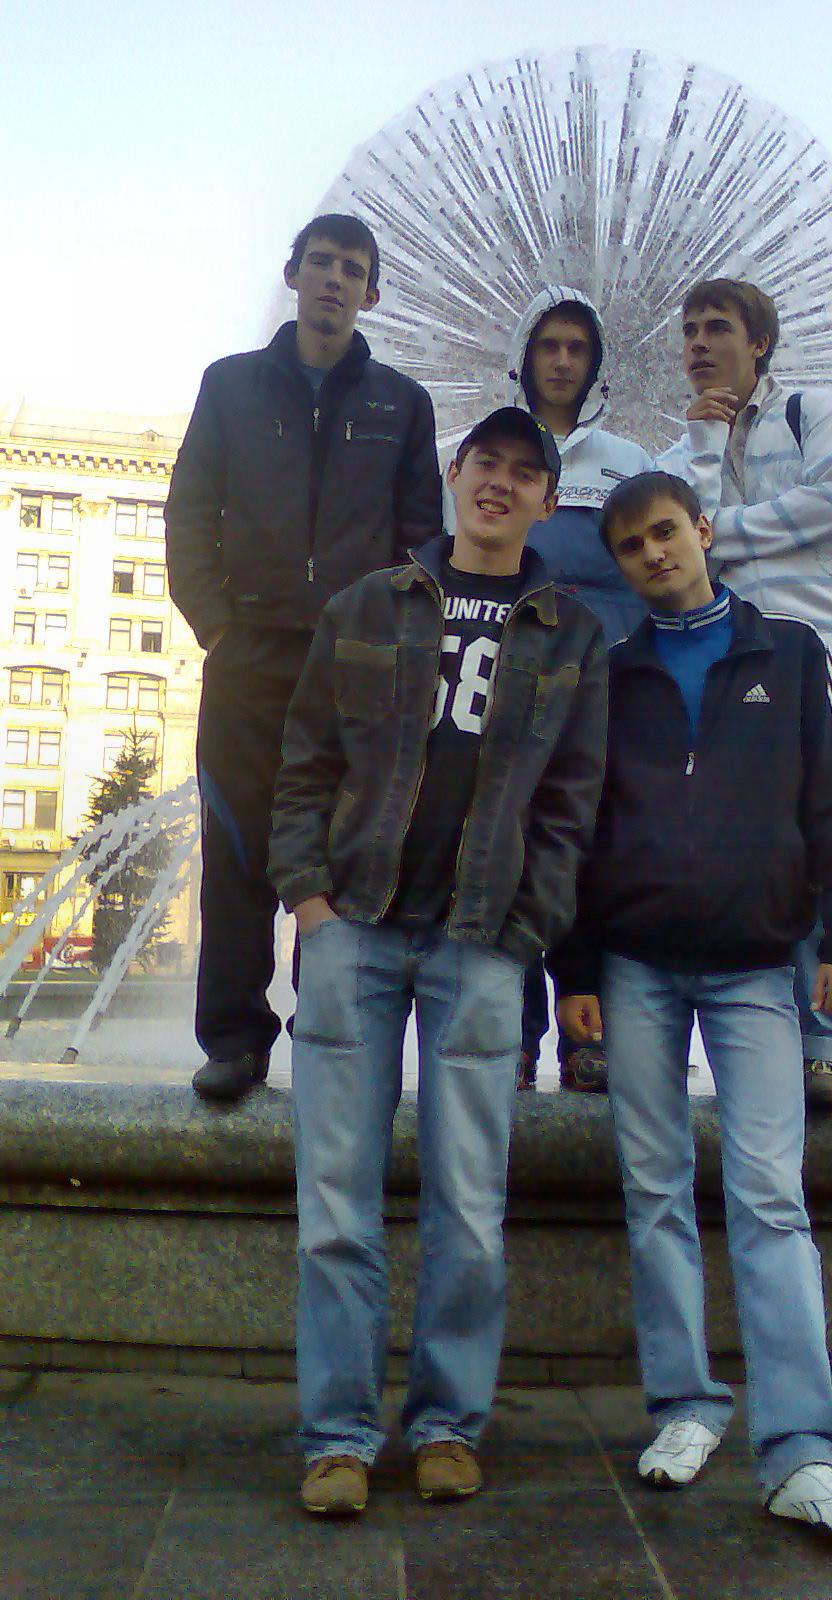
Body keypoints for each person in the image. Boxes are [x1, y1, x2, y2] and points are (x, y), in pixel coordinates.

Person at [268, 407, 607, 1517]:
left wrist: (525, 930)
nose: (499, 483)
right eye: (484, 463)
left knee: (469, 1204)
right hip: (355, 929)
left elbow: (572, 806)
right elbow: (305, 762)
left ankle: (449, 1424)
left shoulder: (572, 634)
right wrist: (311, 903)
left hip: (480, 943)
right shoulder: (368, 604)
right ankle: (338, 1437)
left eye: (524, 472)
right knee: (336, 1202)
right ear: (456, 476)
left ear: (548, 500)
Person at [552, 470, 832, 1539]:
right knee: (653, 1192)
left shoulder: (790, 654)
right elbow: (575, 824)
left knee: (770, 1198)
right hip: (637, 967)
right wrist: (574, 970)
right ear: (619, 563)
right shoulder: (613, 674)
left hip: (754, 968)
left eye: (666, 532)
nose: (654, 554)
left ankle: (802, 1452)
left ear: (703, 530)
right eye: (632, 546)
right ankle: (686, 1406)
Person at [166, 214, 442, 1104]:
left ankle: (328, 1033)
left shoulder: (402, 404)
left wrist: (389, 646)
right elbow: (189, 509)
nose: (334, 279)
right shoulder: (231, 385)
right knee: (237, 846)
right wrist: (216, 625)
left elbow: (419, 539)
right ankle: (235, 1039)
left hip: (353, 666)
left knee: (345, 850)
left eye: (352, 269)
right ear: (292, 275)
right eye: (320, 262)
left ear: (373, 292)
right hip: (247, 656)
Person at [657, 279, 832, 1112]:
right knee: (764, 848)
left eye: (717, 328)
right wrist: (705, 445)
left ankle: (825, 1045)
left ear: (759, 343)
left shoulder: (810, 412)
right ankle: (769, 1036)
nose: (699, 343)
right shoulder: (679, 453)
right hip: (745, 664)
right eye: (689, 331)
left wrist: (725, 535)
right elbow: (683, 547)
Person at [493, 287, 654, 1092]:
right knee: (512, 847)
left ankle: (590, 1034)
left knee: (595, 853)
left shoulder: (627, 459)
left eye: (577, 349)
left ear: (595, 365)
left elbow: (655, 559)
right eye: (549, 345)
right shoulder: (496, 449)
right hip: (515, 676)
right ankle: (514, 1034)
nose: (562, 361)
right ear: (525, 356)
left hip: (609, 678)